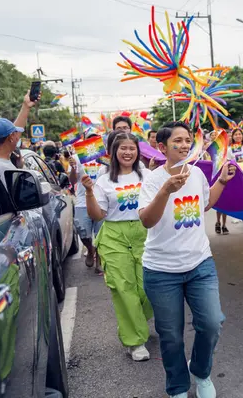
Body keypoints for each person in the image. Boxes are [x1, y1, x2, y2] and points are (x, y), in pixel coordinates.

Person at [138, 121, 236, 398]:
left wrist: (221, 182)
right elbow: (147, 220)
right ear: (162, 147)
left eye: (186, 141)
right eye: (176, 142)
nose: (183, 146)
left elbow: (203, 204)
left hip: (200, 264)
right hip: (161, 271)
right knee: (170, 337)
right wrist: (166, 191)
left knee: (212, 322)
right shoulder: (154, 179)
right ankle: (177, 387)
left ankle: (201, 372)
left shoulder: (196, 174)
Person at [80, 133, 153, 361]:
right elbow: (97, 214)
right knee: (124, 289)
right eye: (123, 148)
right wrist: (90, 193)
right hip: (114, 236)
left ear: (137, 151)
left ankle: (133, 323)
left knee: (148, 289)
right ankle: (135, 341)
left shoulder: (148, 176)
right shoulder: (104, 181)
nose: (128, 152)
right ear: (113, 152)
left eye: (132, 148)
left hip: (146, 234)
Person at [69, 128, 105, 274]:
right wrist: (72, 168)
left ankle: (99, 262)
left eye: (96, 138)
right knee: (83, 232)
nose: (93, 140)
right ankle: (90, 250)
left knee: (101, 234)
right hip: (82, 202)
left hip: (102, 201)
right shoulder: (77, 158)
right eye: (90, 138)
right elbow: (72, 181)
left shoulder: (105, 157)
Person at [0, 90, 38, 187]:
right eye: (15, 133)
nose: (18, 136)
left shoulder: (3, 164)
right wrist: (22, 169)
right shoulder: (4, 170)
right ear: (10, 137)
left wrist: (26, 106)